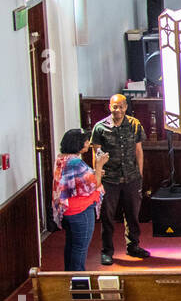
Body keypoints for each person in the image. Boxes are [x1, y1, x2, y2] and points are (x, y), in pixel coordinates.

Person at [91, 93, 151, 265]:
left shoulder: (134, 124)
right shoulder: (100, 127)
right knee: (107, 217)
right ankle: (107, 251)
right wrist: (98, 178)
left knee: (132, 214)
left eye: (121, 106)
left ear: (126, 107)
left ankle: (133, 246)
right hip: (109, 178)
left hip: (131, 177)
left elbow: (139, 151)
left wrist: (139, 174)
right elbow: (96, 154)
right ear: (109, 107)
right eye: (114, 106)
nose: (118, 110)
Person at [53, 128, 105, 272]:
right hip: (81, 210)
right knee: (80, 249)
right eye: (86, 141)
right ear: (78, 144)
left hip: (68, 210)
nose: (88, 143)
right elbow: (95, 184)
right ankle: (79, 287)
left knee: (71, 246)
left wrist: (94, 173)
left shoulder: (62, 158)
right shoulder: (76, 162)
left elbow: (76, 181)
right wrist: (99, 167)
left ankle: (69, 279)